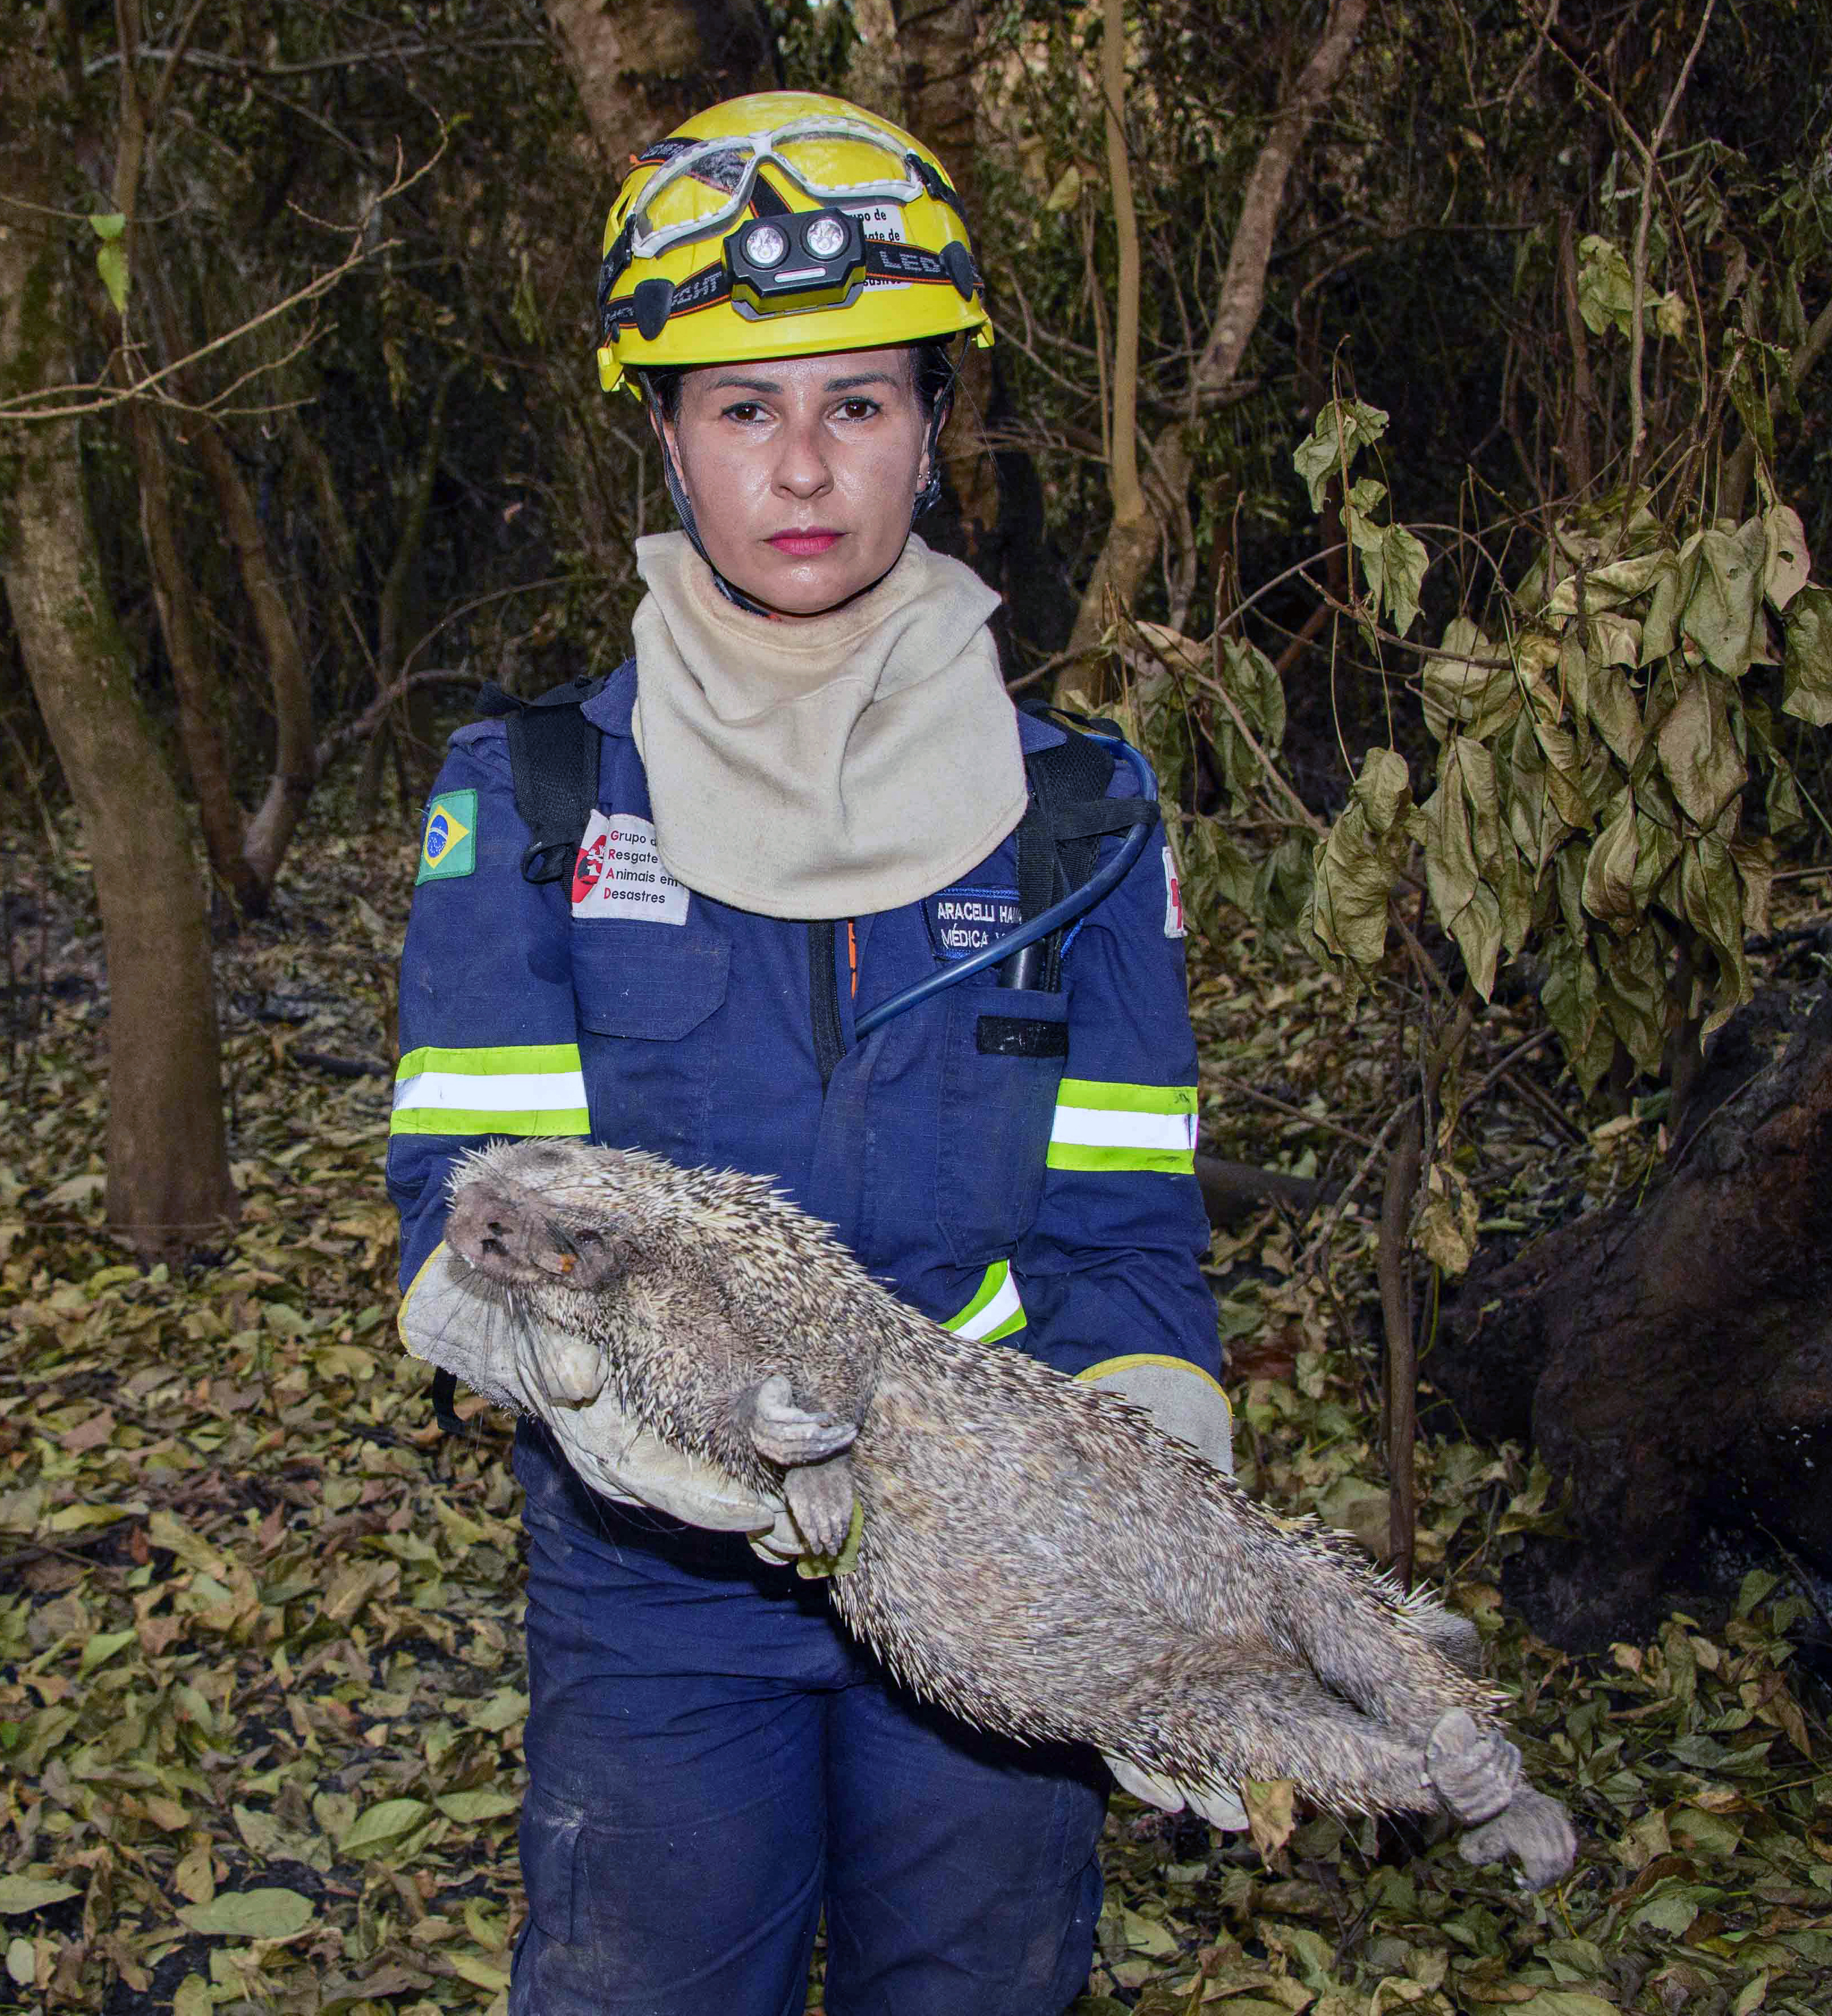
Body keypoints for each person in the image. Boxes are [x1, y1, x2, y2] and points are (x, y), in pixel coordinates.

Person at [384, 91, 1227, 2016]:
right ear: (663, 434)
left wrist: (1151, 1508)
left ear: (932, 434)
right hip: (654, 1583)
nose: (802, 467)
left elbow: (1120, 1228)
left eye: (857, 403)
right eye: (741, 406)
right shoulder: (532, 797)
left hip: (986, 1559)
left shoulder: (1079, 818)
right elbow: (465, 1208)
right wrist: (630, 1413)